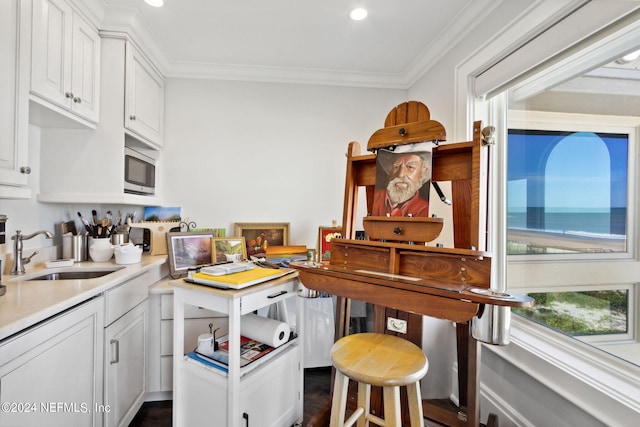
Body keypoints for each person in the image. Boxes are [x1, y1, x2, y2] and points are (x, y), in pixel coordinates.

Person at [371, 145, 431, 217]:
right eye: (396, 166)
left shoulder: (425, 209)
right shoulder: (373, 200)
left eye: (410, 167)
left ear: (423, 172)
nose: (400, 174)